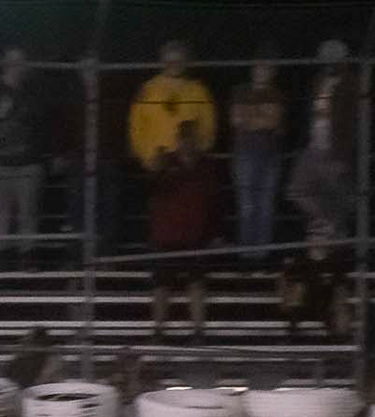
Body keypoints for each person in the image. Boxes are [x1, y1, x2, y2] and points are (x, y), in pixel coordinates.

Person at [0, 47, 47, 268]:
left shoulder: (34, 92)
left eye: (21, 61)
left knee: (29, 212)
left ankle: (28, 256)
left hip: (29, 162)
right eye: (13, 61)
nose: (17, 66)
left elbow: (44, 124)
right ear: (4, 63)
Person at [148, 120, 218, 343]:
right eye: (184, 138)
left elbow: (215, 202)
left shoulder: (206, 166)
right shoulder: (166, 163)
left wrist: (214, 232)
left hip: (196, 236)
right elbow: (150, 188)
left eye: (192, 138)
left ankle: (198, 332)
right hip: (166, 235)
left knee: (197, 284)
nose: (188, 143)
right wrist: (156, 169)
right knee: (162, 285)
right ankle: (158, 332)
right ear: (178, 140)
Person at [288, 40, 360, 245]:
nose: (329, 64)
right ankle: (327, 222)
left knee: (337, 194)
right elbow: (311, 111)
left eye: (333, 61)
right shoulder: (319, 79)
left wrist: (343, 154)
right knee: (297, 189)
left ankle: (335, 235)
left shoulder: (350, 83)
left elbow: (352, 121)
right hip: (314, 144)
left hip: (335, 147)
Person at [228, 59, 286, 261]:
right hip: (244, 154)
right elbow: (236, 120)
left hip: (270, 155)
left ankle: (262, 255)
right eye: (260, 66)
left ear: (273, 71)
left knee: (266, 205)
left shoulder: (276, 94)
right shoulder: (241, 91)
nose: (263, 71)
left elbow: (273, 122)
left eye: (268, 68)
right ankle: (246, 254)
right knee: (247, 205)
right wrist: (262, 118)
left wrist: (251, 118)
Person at [128, 42, 215, 174]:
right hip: (156, 162)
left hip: (189, 164)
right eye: (169, 60)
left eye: (179, 60)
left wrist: (199, 153)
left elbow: (208, 126)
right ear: (161, 62)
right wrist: (146, 156)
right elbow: (136, 126)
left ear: (186, 62)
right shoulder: (147, 90)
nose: (174, 64)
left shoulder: (199, 91)